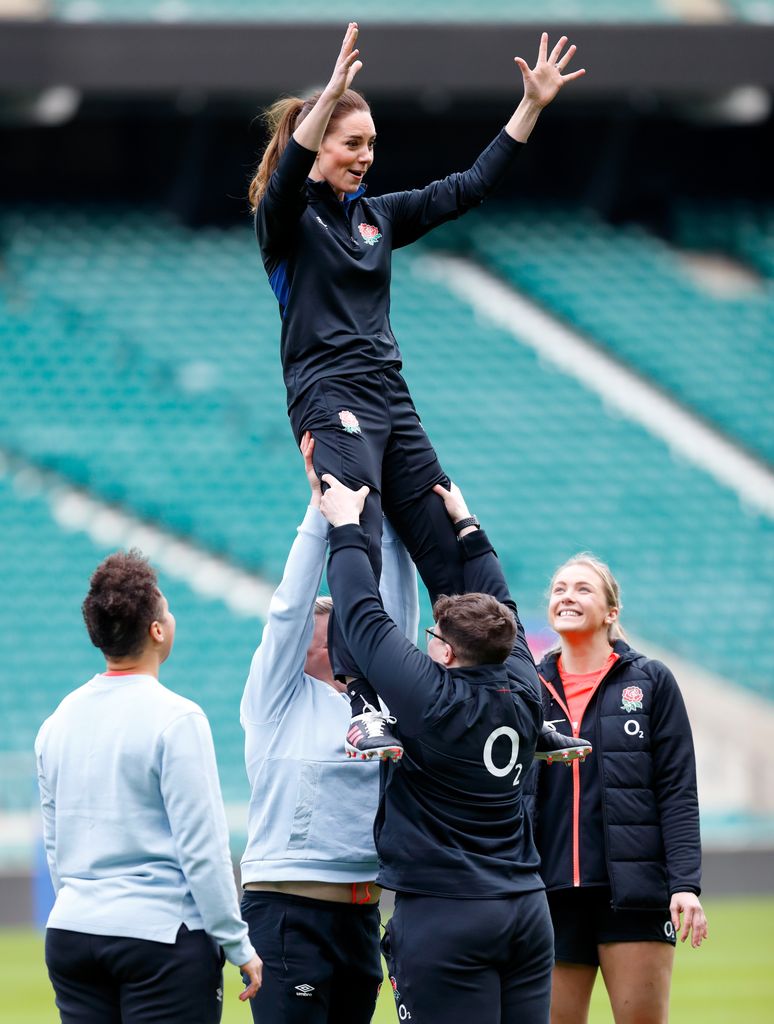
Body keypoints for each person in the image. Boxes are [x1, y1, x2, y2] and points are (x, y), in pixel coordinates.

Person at [249, 22, 586, 757]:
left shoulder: (378, 217)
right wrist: (329, 94)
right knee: (356, 535)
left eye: (371, 144)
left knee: (452, 547)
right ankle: (365, 703)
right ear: (317, 144)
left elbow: (466, 189)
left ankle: (530, 700)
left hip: (392, 404)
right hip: (328, 398)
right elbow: (284, 181)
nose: (365, 157)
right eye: (351, 143)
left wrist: (529, 107)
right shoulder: (285, 222)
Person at [316, 472, 557, 1024]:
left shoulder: (432, 698)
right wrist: (467, 528)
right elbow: (504, 606)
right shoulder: (524, 688)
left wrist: (347, 528)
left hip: (448, 913)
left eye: (433, 638)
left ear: (447, 653)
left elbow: (361, 614)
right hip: (526, 905)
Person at [35, 552, 262, 1024]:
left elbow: (55, 843)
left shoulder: (57, 720)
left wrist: (83, 905)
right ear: (158, 630)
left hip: (73, 932)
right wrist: (237, 943)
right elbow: (202, 849)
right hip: (159, 937)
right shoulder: (177, 718)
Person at [239, 433, 419, 1024]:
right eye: (330, 622)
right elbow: (288, 608)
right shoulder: (277, 703)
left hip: (361, 915)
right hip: (289, 912)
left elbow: (395, 615)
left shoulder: (377, 705)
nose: (339, 627)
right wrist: (323, 507)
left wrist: (387, 515)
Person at [526, 553, 708, 1024]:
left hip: (634, 894)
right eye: (560, 588)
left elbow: (677, 790)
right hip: (549, 893)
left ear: (611, 612)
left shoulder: (651, 681)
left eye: (583, 588)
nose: (567, 595)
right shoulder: (529, 686)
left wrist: (685, 884)